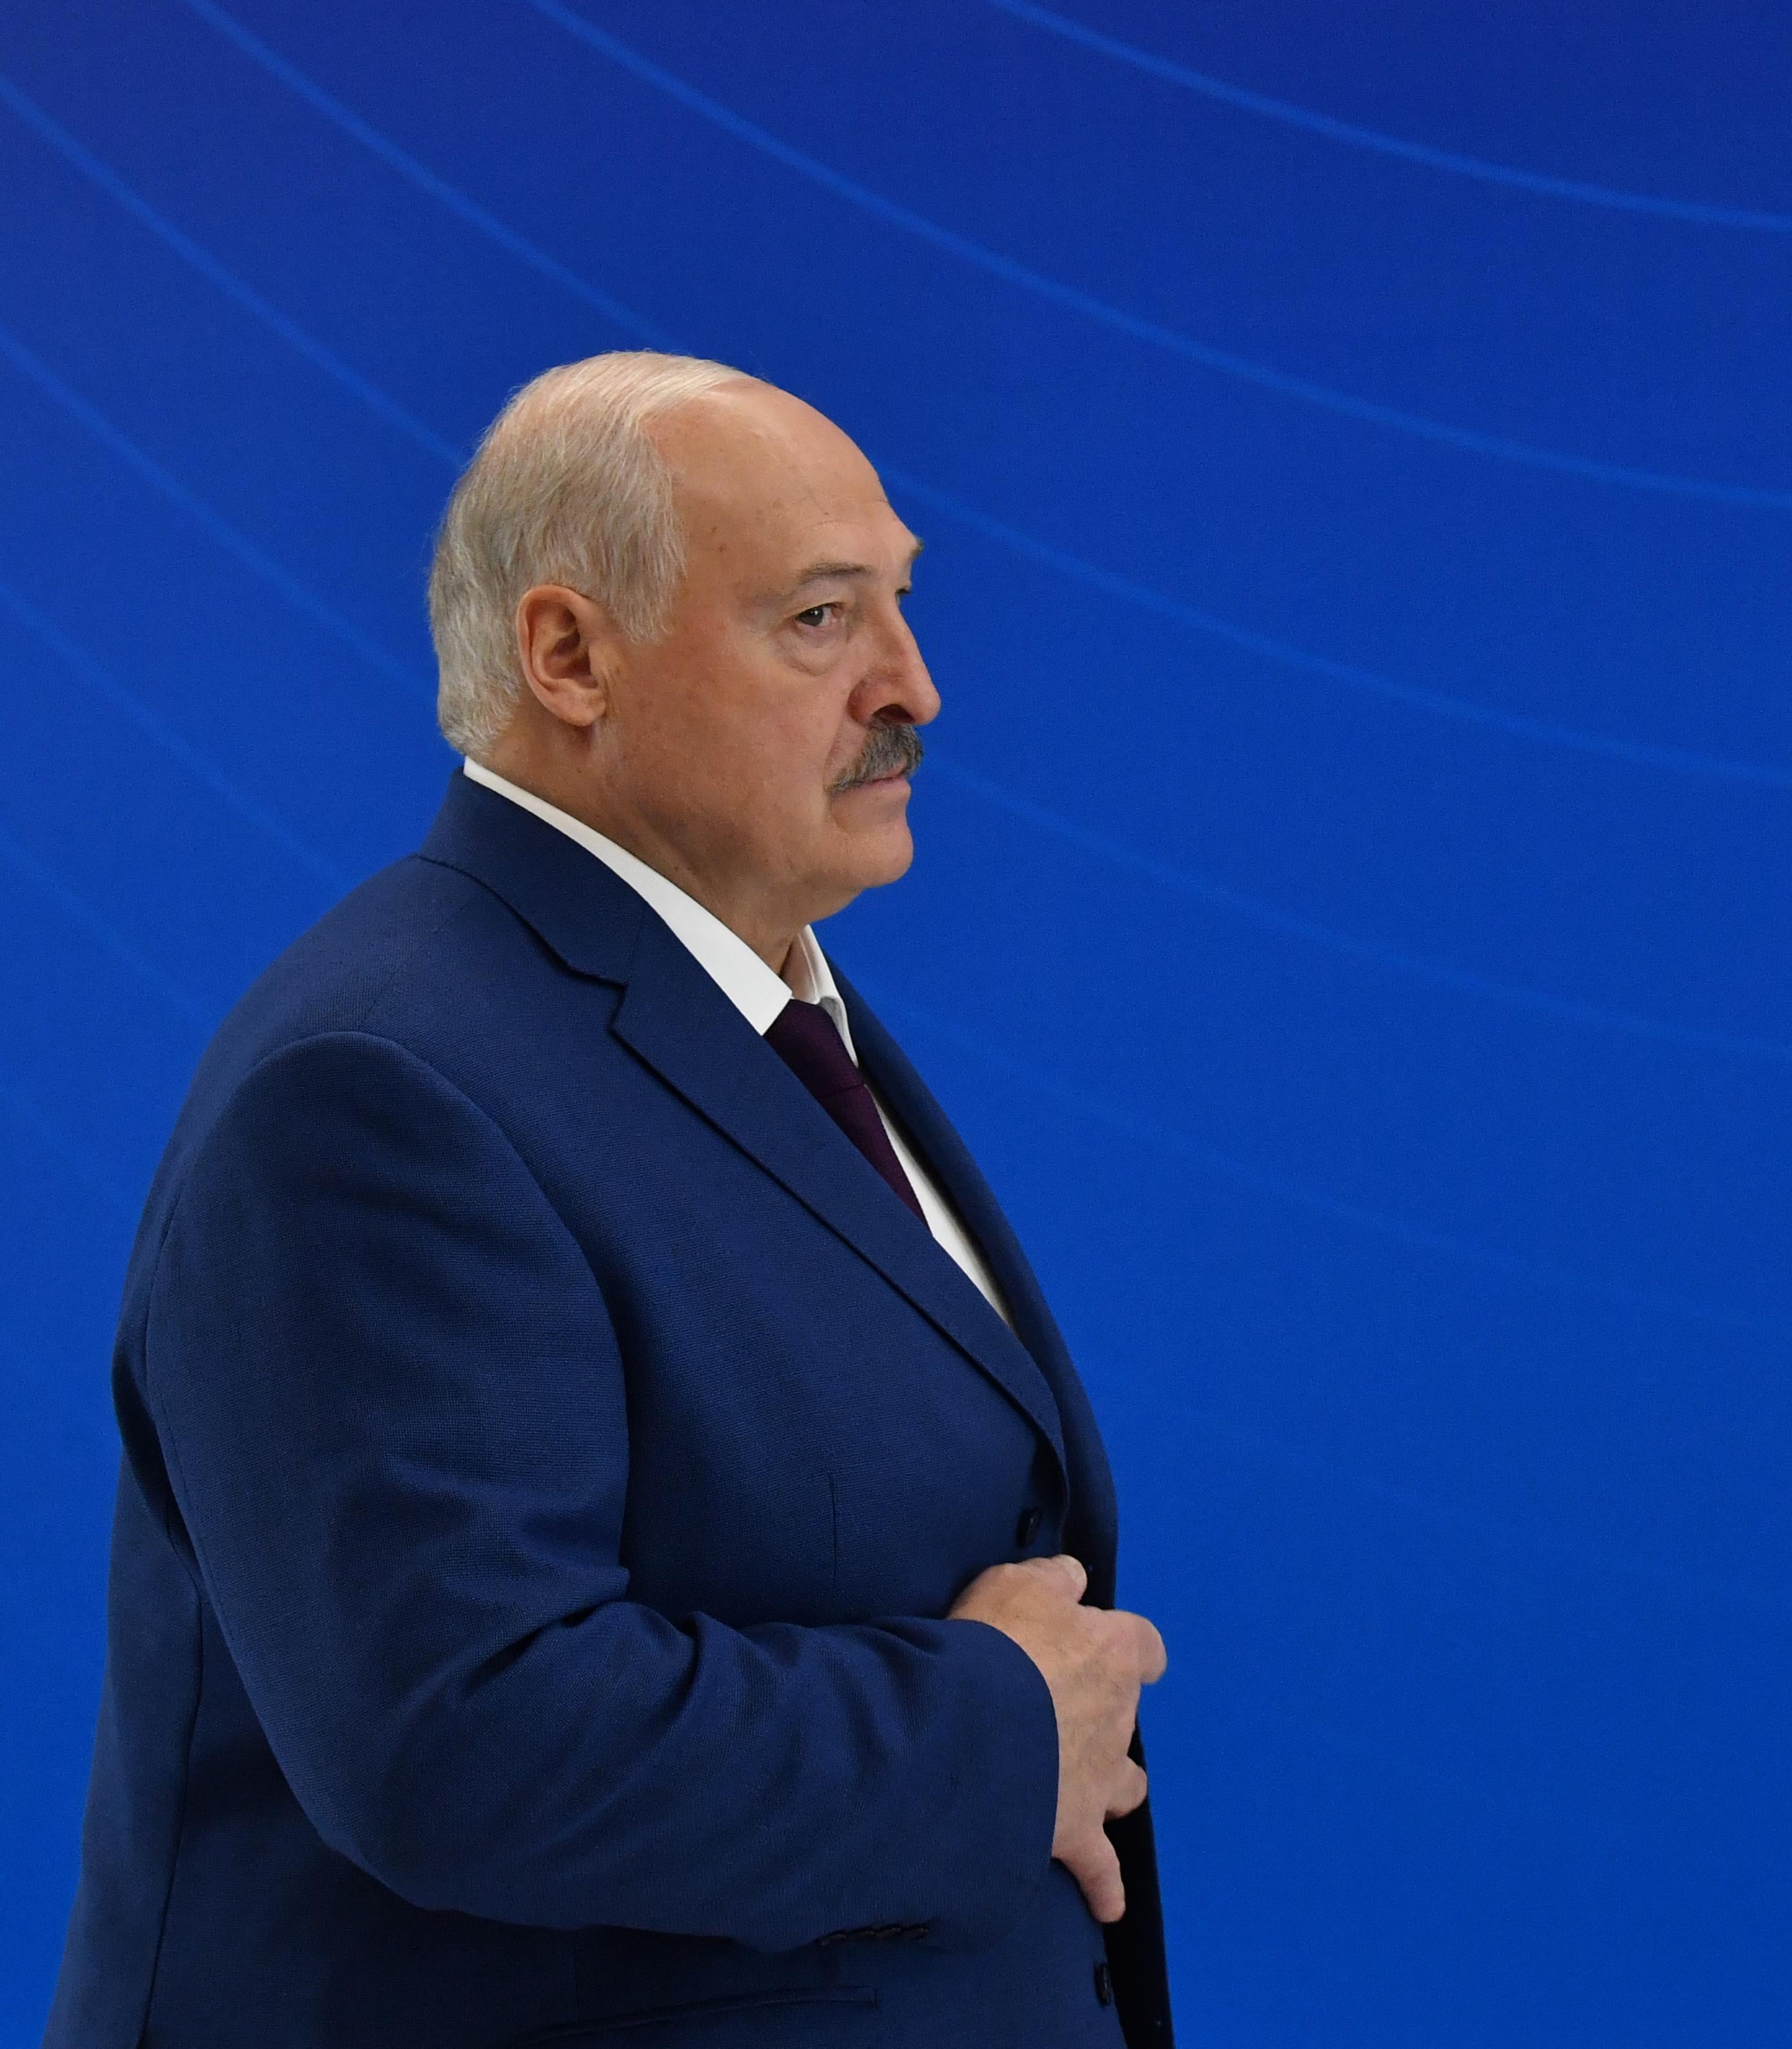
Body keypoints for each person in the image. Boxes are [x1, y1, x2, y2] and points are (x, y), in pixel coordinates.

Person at [43, 353, 1173, 2048]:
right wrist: (998, 1731)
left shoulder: (759, 1013)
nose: (914, 687)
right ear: (569, 657)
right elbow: (459, 1743)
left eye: (902, 604)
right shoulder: (375, 1087)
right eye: (818, 619)